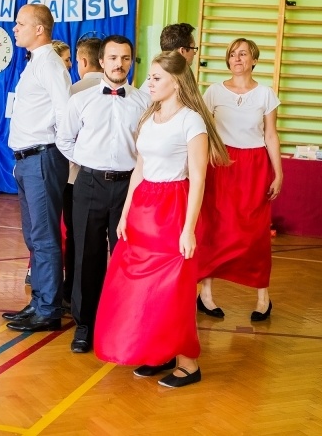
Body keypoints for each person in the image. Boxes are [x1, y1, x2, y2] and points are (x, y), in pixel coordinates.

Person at [94, 51, 230, 388]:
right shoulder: (149, 115)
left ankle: (189, 363)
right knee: (140, 288)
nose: (149, 82)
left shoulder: (191, 121)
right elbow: (139, 168)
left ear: (176, 81)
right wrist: (125, 215)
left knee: (172, 289)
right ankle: (159, 352)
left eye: (156, 78)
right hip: (143, 209)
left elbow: (198, 178)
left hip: (173, 208)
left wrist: (188, 230)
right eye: (150, 77)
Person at [57, 35, 150, 354]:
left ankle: (125, 322)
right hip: (90, 184)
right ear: (102, 61)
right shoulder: (80, 100)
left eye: (125, 58)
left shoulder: (143, 102)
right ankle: (85, 325)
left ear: (131, 62)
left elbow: (148, 148)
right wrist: (87, 162)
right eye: (113, 58)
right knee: (86, 256)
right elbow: (64, 139)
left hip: (129, 187)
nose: (119, 64)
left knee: (127, 256)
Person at [196, 38, 282, 321]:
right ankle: (205, 295)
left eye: (243, 54)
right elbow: (203, 132)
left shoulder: (266, 94)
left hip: (255, 165)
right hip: (221, 163)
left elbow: (270, 135)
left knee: (255, 231)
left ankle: (262, 298)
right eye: (232, 54)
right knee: (213, 227)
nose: (237, 58)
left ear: (254, 60)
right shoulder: (213, 92)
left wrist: (278, 173)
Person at [4, 4, 71, 332]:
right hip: (27, 160)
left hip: (42, 157)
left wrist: (62, 149)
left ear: (40, 29)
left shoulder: (50, 64)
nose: (15, 28)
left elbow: (64, 110)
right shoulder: (36, 63)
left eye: (20, 24)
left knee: (44, 237)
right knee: (34, 235)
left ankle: (49, 309)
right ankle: (40, 301)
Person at [60, 37, 105, 308]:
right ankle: (100, 292)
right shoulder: (129, 93)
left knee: (76, 237)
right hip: (111, 178)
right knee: (103, 238)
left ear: (84, 61)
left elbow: (64, 137)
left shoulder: (72, 92)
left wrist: (84, 160)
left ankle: (72, 292)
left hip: (76, 176)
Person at [139, 22, 198, 92]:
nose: (194, 53)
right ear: (182, 51)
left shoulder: (181, 76)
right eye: (193, 48)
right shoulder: (170, 84)